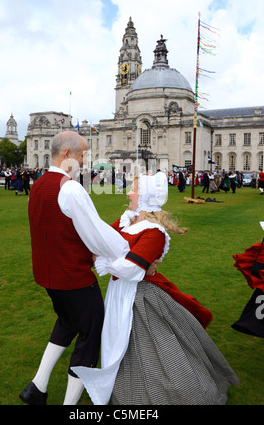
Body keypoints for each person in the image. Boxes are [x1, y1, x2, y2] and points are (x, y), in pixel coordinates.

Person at [72, 172, 239, 405]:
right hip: (119, 293)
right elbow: (99, 241)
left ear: (146, 197)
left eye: (134, 189)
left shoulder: (154, 231)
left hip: (140, 296)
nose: (129, 192)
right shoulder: (128, 220)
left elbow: (131, 269)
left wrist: (102, 260)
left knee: (151, 348)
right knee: (116, 341)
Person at [19, 131, 133, 406]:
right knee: (91, 334)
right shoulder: (69, 187)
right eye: (82, 155)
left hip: (48, 276)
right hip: (73, 276)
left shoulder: (38, 184)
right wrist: (126, 250)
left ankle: (37, 387)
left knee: (68, 322)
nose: (84, 161)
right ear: (67, 155)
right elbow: (94, 233)